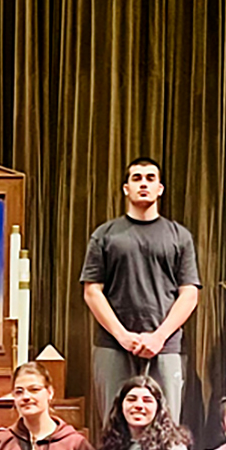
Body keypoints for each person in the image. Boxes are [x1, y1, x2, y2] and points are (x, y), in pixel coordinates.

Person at [81, 156, 200, 424]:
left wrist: (159, 337)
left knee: (166, 426)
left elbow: (189, 294)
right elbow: (92, 292)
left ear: (160, 189)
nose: (143, 184)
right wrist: (122, 335)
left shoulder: (179, 236)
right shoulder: (105, 235)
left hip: (165, 346)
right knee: (114, 426)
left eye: (150, 178)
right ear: (126, 189)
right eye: (137, 178)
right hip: (113, 345)